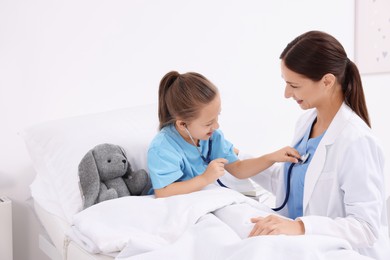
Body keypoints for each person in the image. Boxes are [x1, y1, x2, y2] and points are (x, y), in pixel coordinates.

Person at [246, 30, 390, 259]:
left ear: (327, 81)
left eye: (294, 85)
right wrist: (241, 159)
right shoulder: (306, 122)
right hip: (297, 247)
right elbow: (295, 187)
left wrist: (301, 227)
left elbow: (366, 228)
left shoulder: (357, 141)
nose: (286, 93)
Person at [147, 71, 300, 199]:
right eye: (208, 123)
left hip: (205, 196)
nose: (216, 126)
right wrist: (204, 179)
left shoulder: (212, 137)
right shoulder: (163, 148)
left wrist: (271, 157)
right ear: (182, 124)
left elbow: (238, 169)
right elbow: (163, 192)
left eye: (217, 117)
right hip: (177, 203)